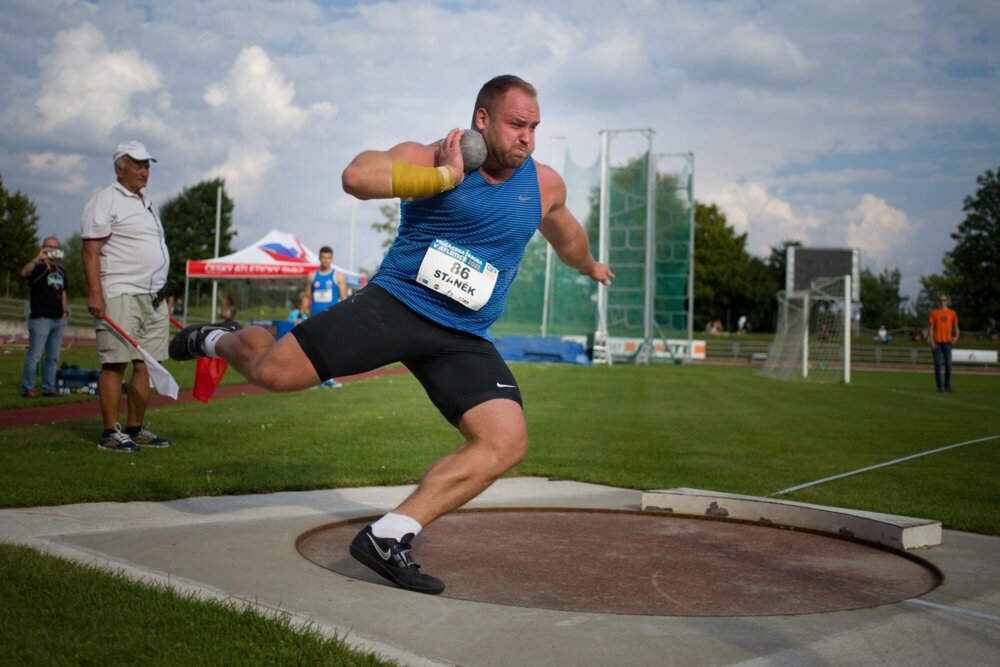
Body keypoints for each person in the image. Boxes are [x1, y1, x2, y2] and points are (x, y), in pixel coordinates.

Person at [169, 75, 614, 594]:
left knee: (506, 440)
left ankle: (389, 535)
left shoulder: (544, 186)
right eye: (517, 124)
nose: (527, 138)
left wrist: (590, 267)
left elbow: (569, 238)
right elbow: (356, 176)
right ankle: (218, 339)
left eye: (534, 127)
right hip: (397, 304)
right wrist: (446, 176)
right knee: (275, 373)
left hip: (462, 334)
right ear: (482, 120)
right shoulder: (431, 157)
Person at [82, 140, 172, 453]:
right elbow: (91, 249)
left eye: (147, 165)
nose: (144, 170)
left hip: (154, 297)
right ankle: (110, 431)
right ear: (120, 169)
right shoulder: (106, 200)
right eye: (137, 164)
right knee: (115, 363)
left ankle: (135, 428)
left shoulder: (145, 202)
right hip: (120, 292)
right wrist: (96, 293)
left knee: (145, 364)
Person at [20, 236, 69, 398]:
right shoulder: (38, 268)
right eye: (49, 246)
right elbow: (24, 272)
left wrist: (65, 312)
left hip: (58, 319)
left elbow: (63, 291)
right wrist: (37, 258)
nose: (51, 250)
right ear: (43, 247)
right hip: (41, 318)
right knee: (35, 355)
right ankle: (28, 388)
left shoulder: (60, 269)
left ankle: (48, 388)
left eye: (55, 247)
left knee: (53, 357)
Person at [928, 293, 960, 393]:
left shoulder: (952, 313)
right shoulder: (934, 313)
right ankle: (939, 386)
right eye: (941, 300)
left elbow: (956, 326)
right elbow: (931, 328)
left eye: (944, 300)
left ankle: (947, 385)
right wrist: (931, 341)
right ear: (938, 302)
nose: (943, 302)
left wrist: (956, 337)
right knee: (937, 364)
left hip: (947, 342)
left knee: (948, 364)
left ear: (947, 301)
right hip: (937, 342)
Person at [307, 246, 348, 317]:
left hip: (331, 317)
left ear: (332, 259)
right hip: (314, 317)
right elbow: (307, 297)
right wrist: (300, 315)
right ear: (319, 258)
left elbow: (344, 298)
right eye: (323, 257)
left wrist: (344, 315)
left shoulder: (338, 275)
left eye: (328, 258)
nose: (326, 260)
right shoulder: (311, 275)